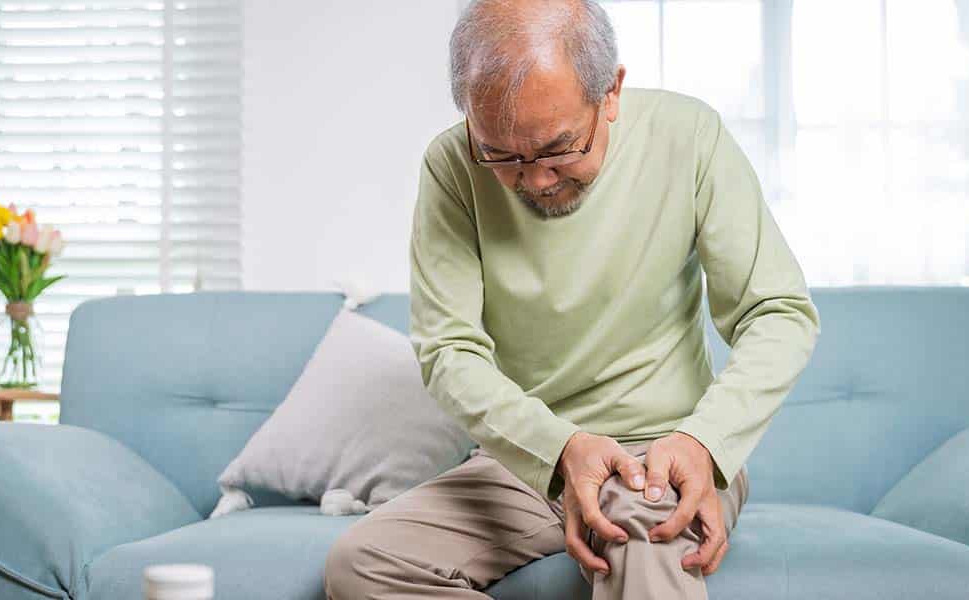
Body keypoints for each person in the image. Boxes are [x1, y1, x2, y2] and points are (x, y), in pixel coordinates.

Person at [324, 0, 820, 597]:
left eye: (559, 148)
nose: (534, 179)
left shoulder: (689, 137)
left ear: (610, 92)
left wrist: (705, 443)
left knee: (646, 544)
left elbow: (778, 312)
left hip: (664, 455)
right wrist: (561, 450)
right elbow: (450, 351)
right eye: (502, 154)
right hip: (526, 462)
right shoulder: (452, 166)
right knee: (365, 563)